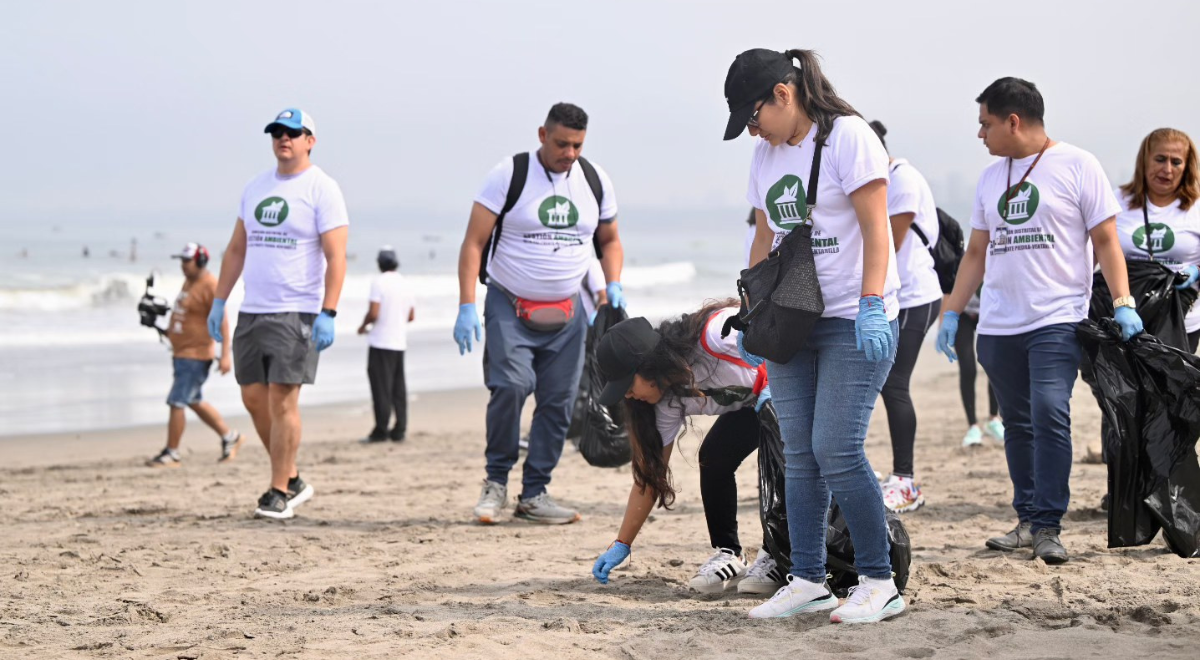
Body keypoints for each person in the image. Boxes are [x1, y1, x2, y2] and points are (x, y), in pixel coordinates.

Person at [724, 48, 904, 624]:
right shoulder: (764, 154)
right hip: (791, 320)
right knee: (798, 453)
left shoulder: (848, 137)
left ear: (783, 93)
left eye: (753, 116)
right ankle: (807, 579)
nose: (753, 130)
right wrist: (752, 310)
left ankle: (880, 581)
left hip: (854, 316)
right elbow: (764, 240)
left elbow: (878, 230)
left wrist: (873, 303)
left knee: (837, 447)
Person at [936, 78, 1143, 564]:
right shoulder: (991, 178)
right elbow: (976, 252)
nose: (980, 134)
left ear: (1013, 121)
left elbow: (1107, 241)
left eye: (985, 123)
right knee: (1018, 424)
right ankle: (1027, 519)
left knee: (1051, 413)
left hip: (1057, 317)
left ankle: (1049, 524)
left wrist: (1123, 300)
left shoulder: (1077, 164)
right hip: (998, 324)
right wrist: (951, 312)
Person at [454, 103, 625, 525]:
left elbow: (610, 240)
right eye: (562, 143)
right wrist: (465, 306)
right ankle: (495, 483)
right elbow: (473, 243)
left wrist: (613, 283)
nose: (569, 153)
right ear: (542, 135)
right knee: (510, 386)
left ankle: (535, 494)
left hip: (568, 313)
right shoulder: (509, 175)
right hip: (509, 304)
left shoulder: (594, 180)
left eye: (578, 145)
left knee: (559, 403)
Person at [207, 108, 349, 520]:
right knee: (253, 398)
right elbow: (237, 249)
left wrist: (329, 311)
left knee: (283, 401)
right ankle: (293, 476)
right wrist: (219, 300)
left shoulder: (323, 188)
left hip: (298, 311)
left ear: (310, 140)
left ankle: (279, 490)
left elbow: (336, 256)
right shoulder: (255, 188)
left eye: (293, 132)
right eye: (277, 133)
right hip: (253, 309)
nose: (283, 138)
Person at [589, 302, 787, 596]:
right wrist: (622, 543)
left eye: (627, 385)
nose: (628, 396)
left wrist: (777, 384)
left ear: (648, 365)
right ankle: (729, 553)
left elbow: (779, 333)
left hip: (787, 390)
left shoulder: (716, 336)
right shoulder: (665, 402)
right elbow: (648, 478)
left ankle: (777, 555)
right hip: (752, 406)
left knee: (774, 460)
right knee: (713, 458)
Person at [867, 120, 942, 513]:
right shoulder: (883, 180)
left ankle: (906, 482)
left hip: (915, 297)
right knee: (880, 382)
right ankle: (890, 474)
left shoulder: (903, 179)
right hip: (891, 298)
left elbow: (889, 245)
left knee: (894, 383)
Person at [146, 242, 243, 467]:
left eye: (187, 261)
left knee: (177, 401)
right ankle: (230, 437)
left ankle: (172, 453)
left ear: (200, 261)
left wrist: (225, 355)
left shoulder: (210, 284)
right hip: (181, 352)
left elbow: (224, 321)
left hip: (196, 355)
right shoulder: (189, 282)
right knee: (193, 400)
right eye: (181, 261)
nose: (183, 265)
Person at [1115, 128, 1200, 351]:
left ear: (1187, 166)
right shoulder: (1117, 201)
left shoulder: (1197, 208)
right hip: (1124, 319)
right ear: (1145, 160)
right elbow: (1095, 253)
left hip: (1181, 323)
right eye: (1160, 159)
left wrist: (1196, 271)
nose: (1167, 169)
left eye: (1176, 162)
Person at [357, 246, 416, 443]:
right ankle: (400, 428)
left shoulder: (379, 282)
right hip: (399, 341)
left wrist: (363, 325)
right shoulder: (405, 283)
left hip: (381, 341)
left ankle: (381, 430)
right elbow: (411, 315)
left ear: (379, 263)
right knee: (398, 387)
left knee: (381, 387)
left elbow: (374, 312)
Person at [956, 291, 1004, 447]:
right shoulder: (954, 265)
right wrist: (945, 320)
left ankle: (993, 418)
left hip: (991, 310)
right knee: (968, 368)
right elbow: (948, 290)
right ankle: (973, 426)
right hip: (962, 312)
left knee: (995, 365)